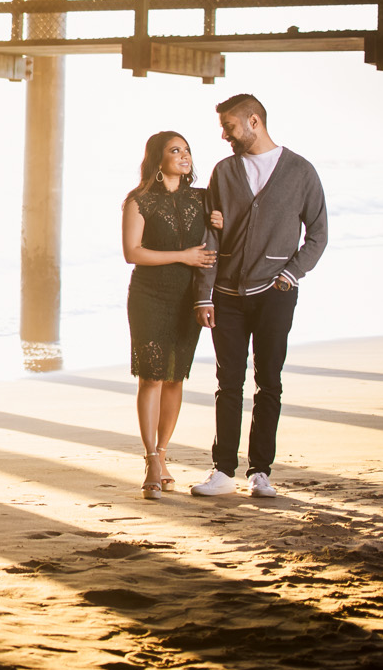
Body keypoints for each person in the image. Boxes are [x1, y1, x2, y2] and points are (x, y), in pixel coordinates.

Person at [188, 94, 328, 498]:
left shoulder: (300, 171)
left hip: (275, 293)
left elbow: (318, 235)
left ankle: (260, 472)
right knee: (227, 382)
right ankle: (222, 471)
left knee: (269, 381)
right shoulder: (224, 171)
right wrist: (204, 295)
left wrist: (290, 274)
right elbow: (210, 234)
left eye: (229, 126)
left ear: (253, 121)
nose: (223, 134)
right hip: (227, 294)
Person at [121, 131, 214, 498]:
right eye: (175, 150)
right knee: (152, 378)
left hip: (187, 298)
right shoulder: (139, 201)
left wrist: (219, 220)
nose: (184, 155)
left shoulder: (203, 199)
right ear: (158, 160)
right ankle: (150, 460)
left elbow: (220, 234)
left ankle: (163, 453)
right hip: (149, 295)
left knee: (175, 378)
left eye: (187, 150)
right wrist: (183, 256)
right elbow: (133, 252)